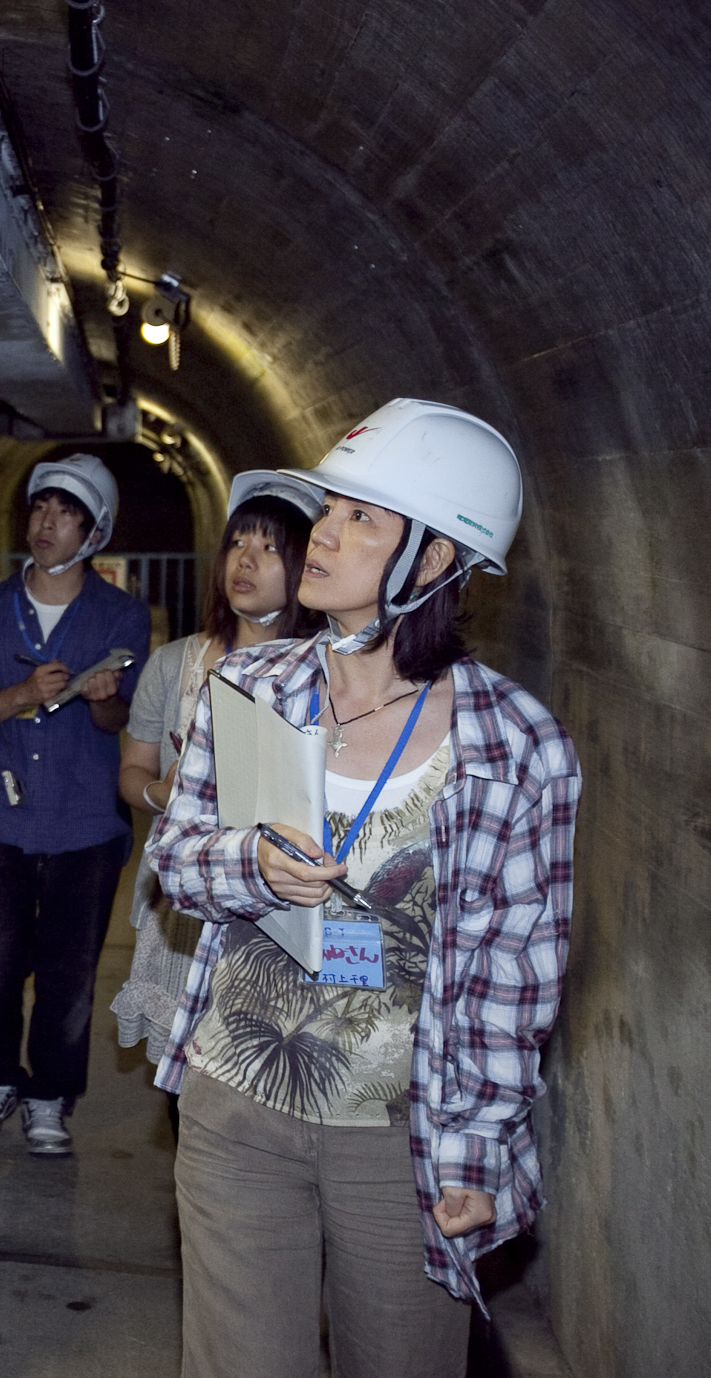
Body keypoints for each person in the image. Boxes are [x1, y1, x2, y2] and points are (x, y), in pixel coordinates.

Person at [150, 400, 581, 1378]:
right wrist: (247, 864)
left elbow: (518, 981)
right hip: (235, 1102)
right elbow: (173, 861)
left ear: (434, 561)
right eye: (331, 510)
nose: (326, 535)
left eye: (362, 520)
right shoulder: (255, 685)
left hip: (402, 1135)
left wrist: (477, 1147)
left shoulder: (515, 748)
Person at [0, 454, 152, 1155]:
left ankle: (49, 1095)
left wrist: (103, 701)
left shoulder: (120, 616)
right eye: (39, 508)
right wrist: (22, 696)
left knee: (68, 974)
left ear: (93, 533)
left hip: (84, 822)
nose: (46, 523)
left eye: (66, 513)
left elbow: (122, 722)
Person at [110, 471, 322, 1094]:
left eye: (270, 549)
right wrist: (165, 792)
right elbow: (131, 777)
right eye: (237, 544)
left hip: (289, 900)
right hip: (190, 905)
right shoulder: (176, 665)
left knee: (276, 1074)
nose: (246, 562)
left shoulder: (332, 673)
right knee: (190, 1089)